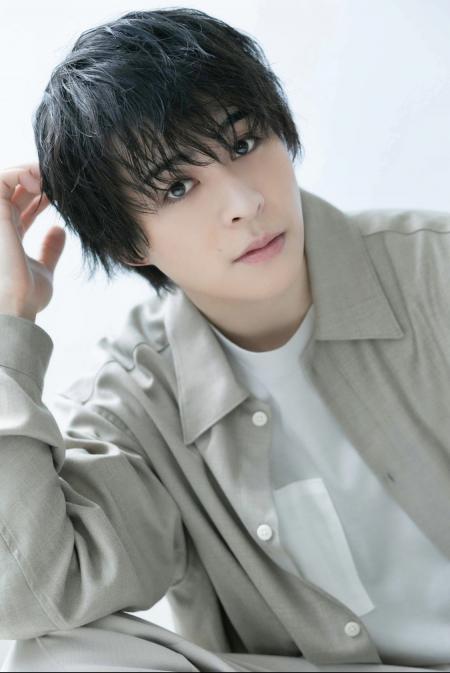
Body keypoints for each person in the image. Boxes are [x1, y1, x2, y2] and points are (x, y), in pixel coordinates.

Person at [0, 7, 449, 673]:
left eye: (243, 144)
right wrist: (9, 325)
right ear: (127, 243)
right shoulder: (137, 399)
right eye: (178, 186)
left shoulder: (434, 270)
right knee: (57, 653)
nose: (243, 203)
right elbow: (32, 593)